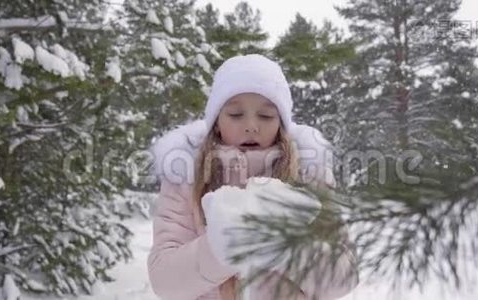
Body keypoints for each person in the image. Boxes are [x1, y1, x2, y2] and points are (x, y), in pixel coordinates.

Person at [147, 54, 358, 300]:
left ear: (281, 123)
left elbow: (344, 278)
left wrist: (285, 248)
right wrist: (219, 250)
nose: (251, 126)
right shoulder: (186, 177)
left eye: (266, 116)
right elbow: (164, 282)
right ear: (216, 122)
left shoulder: (308, 178)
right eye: (236, 114)